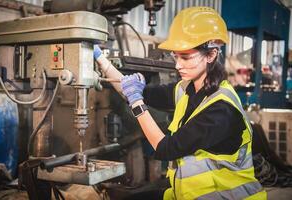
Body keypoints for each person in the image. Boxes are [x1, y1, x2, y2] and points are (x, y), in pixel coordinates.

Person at [94, 6, 266, 200]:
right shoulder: (186, 89)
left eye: (186, 57)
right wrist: (102, 61)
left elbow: (165, 148)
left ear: (211, 55)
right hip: (188, 194)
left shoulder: (221, 110)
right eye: (176, 56)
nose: (177, 65)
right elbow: (134, 92)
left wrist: (137, 104)